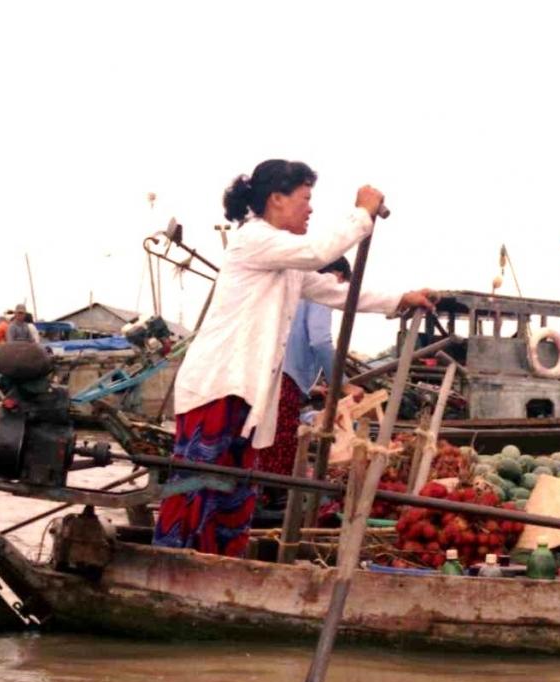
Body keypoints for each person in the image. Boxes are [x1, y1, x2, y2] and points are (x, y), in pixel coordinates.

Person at [153, 159, 436, 557]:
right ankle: (171, 561)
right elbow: (319, 251)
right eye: (305, 199)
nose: (310, 208)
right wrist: (362, 213)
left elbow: (338, 293)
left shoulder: (286, 263)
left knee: (233, 491)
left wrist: (400, 299)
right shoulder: (255, 238)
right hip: (218, 385)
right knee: (199, 485)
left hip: (247, 392)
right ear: (277, 199)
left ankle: (218, 564)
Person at [257, 256, 354, 482]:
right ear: (338, 276)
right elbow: (320, 341)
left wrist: (312, 388)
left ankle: (261, 492)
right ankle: (271, 495)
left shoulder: (294, 291)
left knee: (263, 443)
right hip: (284, 381)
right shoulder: (321, 291)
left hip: (269, 374)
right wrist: (342, 384)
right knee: (278, 449)